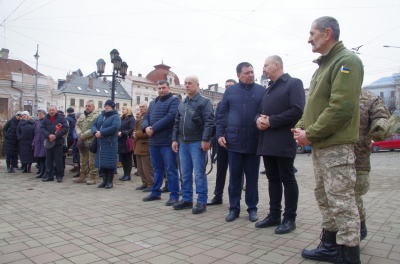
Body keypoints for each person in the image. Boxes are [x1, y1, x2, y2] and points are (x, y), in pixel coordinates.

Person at [293, 16, 364, 263]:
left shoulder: (347, 61)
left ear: (327, 33)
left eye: (312, 33)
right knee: (324, 197)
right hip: (322, 146)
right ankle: (330, 245)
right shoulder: (323, 66)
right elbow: (314, 106)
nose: (309, 39)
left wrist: (310, 133)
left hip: (336, 146)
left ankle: (348, 254)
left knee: (342, 201)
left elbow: (341, 107)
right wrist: (300, 127)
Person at [254, 55, 305, 234]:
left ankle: (290, 219)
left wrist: (271, 121)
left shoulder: (293, 83)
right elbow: (260, 112)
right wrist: (258, 120)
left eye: (266, 65)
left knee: (288, 179)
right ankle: (274, 215)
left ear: (277, 65)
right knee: (272, 179)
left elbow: (297, 111)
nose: (264, 68)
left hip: (284, 141)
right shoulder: (268, 89)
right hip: (267, 141)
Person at [216, 62, 266, 222]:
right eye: (247, 73)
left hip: (253, 141)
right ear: (238, 75)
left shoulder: (261, 91)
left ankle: (252, 209)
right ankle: (234, 208)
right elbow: (222, 115)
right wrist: (219, 135)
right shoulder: (230, 92)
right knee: (235, 177)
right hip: (233, 141)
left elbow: (264, 111)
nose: (251, 75)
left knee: (252, 178)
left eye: (252, 72)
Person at [355, 90, 400, 240]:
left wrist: (394, 118)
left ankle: (359, 229)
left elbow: (381, 132)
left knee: (353, 195)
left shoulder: (370, 99)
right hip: (331, 159)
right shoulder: (328, 94)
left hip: (358, 161)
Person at [172, 75, 215, 214]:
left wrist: (205, 140)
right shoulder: (182, 104)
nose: (187, 85)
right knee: (185, 173)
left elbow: (209, 122)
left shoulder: (204, 102)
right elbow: (176, 123)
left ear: (197, 85)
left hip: (197, 142)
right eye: (185, 83)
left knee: (199, 174)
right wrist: (174, 139)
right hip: (183, 142)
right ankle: (187, 199)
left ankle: (201, 201)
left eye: (190, 83)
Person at [142, 80, 180, 205]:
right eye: (159, 88)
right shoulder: (153, 102)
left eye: (163, 87)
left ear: (168, 88)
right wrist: (146, 127)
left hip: (166, 141)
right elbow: (146, 117)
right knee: (157, 169)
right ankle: (155, 192)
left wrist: (154, 128)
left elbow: (171, 116)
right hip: (154, 142)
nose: (161, 90)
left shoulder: (174, 100)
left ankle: (174, 195)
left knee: (171, 169)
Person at [208, 79, 237, 205]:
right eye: (226, 86)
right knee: (221, 171)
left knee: (235, 172)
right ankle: (217, 196)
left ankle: (234, 200)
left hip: (235, 142)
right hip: (221, 142)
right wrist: (215, 138)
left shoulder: (239, 102)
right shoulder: (221, 104)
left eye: (231, 86)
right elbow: (216, 121)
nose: (228, 88)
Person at [91, 100, 121, 189]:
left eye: (108, 106)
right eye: (105, 106)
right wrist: (95, 132)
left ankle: (110, 182)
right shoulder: (101, 116)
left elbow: (114, 127)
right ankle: (104, 181)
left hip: (110, 143)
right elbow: (93, 125)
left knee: (109, 163)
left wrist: (102, 132)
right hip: (100, 143)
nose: (106, 107)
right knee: (102, 162)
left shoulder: (116, 117)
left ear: (112, 107)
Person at [41, 106, 69, 182]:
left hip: (58, 141)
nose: (51, 111)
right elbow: (42, 128)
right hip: (49, 141)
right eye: (50, 110)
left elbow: (65, 128)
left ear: (56, 111)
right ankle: (49, 176)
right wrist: (48, 135)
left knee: (58, 160)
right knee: (48, 160)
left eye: (53, 110)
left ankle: (59, 176)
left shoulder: (61, 118)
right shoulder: (45, 119)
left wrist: (56, 136)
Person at [74, 100, 99, 185]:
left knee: (92, 160)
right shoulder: (82, 115)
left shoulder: (96, 116)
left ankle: (93, 177)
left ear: (93, 107)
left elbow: (95, 127)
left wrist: (84, 135)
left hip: (91, 140)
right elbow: (77, 125)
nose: (87, 107)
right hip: (81, 141)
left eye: (89, 106)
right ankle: (82, 176)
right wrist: (80, 134)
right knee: (82, 159)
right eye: (86, 106)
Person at [134, 103, 154, 192]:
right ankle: (144, 182)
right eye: (140, 107)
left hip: (145, 145)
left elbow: (147, 131)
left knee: (147, 166)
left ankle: (151, 183)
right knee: (140, 167)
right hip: (138, 145)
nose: (141, 109)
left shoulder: (149, 117)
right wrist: (134, 133)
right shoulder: (140, 118)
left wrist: (136, 134)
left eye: (143, 107)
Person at [118, 106, 135, 181]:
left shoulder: (131, 119)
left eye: (124, 109)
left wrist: (123, 133)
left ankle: (128, 175)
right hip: (120, 140)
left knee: (128, 158)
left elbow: (131, 129)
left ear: (128, 110)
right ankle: (124, 174)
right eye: (122, 109)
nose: (122, 110)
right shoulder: (121, 118)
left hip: (127, 141)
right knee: (123, 158)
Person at [32, 109, 47, 178]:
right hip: (38, 142)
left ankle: (45, 172)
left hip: (44, 142)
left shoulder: (46, 121)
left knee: (43, 157)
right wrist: (34, 142)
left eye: (41, 114)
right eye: (39, 114)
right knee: (39, 157)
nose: (40, 115)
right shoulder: (36, 122)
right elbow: (35, 133)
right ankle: (41, 171)